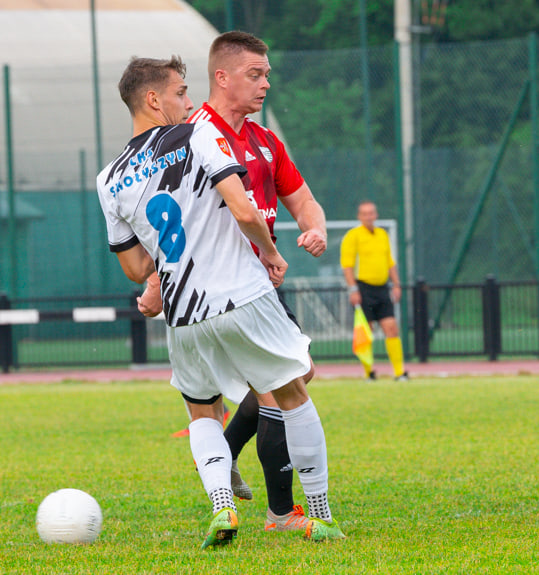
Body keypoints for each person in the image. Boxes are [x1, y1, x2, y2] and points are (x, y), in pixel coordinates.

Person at [98, 55, 344, 547]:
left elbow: (135, 269)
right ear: (154, 99)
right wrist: (272, 255)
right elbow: (243, 209)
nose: (189, 103)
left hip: (183, 313)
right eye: (181, 93)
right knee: (293, 390)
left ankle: (223, 509)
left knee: (202, 411)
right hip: (242, 293)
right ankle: (317, 511)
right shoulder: (196, 134)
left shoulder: (109, 178)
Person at [340, 201, 408, 381]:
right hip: (363, 288)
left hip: (382, 288)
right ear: (359, 216)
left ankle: (399, 372)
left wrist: (396, 284)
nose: (369, 216)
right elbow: (347, 266)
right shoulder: (353, 236)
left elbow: (390, 262)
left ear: (376, 215)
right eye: (365, 213)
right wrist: (353, 289)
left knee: (391, 327)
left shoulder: (382, 235)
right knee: (366, 331)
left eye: (371, 213)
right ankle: (368, 372)